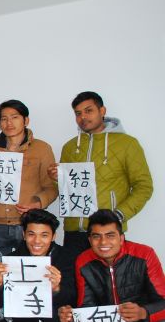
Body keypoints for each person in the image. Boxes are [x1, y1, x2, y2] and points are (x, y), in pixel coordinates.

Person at [47, 92, 153, 261]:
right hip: (74, 232)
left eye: (88, 110)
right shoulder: (70, 147)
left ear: (102, 111)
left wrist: (118, 215)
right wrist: (56, 178)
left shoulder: (127, 144)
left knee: (108, 278)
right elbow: (65, 188)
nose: (83, 117)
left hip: (107, 232)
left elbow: (144, 186)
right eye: (78, 113)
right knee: (75, 277)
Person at [0, 100, 57, 255]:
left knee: (28, 266)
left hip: (27, 223)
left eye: (14, 117)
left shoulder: (42, 149)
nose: (9, 123)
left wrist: (37, 204)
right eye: (4, 119)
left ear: (26, 120)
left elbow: (51, 187)